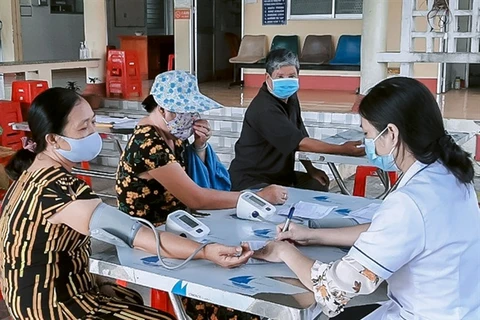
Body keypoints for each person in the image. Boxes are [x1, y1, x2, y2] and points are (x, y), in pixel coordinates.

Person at [0, 88, 253, 320]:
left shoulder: (31, 173)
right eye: (83, 127)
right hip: (52, 306)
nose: (94, 131)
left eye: (92, 121)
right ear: (53, 139)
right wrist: (206, 251)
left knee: (129, 297)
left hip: (31, 295)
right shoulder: (60, 190)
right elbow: (137, 234)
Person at [253, 77, 480, 319]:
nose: (367, 143)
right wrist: (312, 235)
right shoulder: (449, 174)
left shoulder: (411, 201)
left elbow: (333, 288)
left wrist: (284, 252)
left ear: (391, 133)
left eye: (368, 134)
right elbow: (391, 231)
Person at [115, 70, 286, 225]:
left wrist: (199, 145)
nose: (194, 117)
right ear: (162, 109)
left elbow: (193, 175)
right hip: (148, 233)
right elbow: (195, 198)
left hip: (177, 223)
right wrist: (258, 197)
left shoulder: (172, 136)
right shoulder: (148, 144)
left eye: (194, 111)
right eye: (187, 112)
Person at [228, 48, 365, 192]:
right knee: (282, 200)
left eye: (292, 75)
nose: (286, 81)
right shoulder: (264, 109)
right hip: (252, 180)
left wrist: (311, 169)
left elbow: (300, 132)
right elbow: (300, 143)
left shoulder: (290, 97)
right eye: (280, 76)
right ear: (268, 78)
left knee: (318, 183)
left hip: (281, 176)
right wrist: (342, 149)